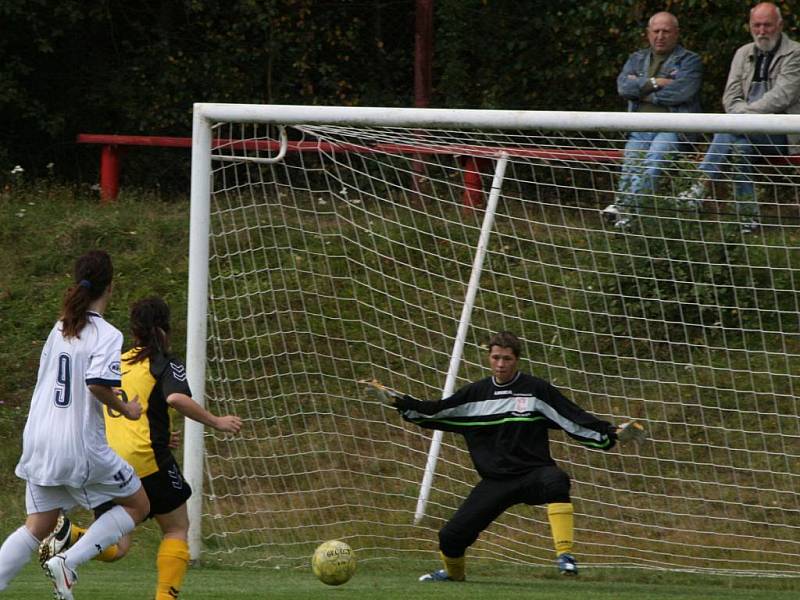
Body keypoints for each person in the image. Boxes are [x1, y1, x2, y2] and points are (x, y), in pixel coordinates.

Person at [39, 295, 242, 600]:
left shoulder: (118, 360)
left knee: (118, 546)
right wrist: (216, 421)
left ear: (134, 331)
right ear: (163, 329)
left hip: (109, 460)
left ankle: (72, 535)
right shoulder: (163, 361)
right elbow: (175, 398)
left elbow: (117, 405)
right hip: (147, 460)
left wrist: (161, 434)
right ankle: (165, 598)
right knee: (176, 528)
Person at [390, 331, 619, 580]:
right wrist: (401, 403)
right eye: (496, 358)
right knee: (450, 537)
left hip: (533, 474)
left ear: (516, 359)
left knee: (557, 480)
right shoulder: (475, 394)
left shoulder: (535, 390)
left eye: (507, 359)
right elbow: (436, 412)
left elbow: (571, 416)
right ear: (488, 358)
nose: (501, 364)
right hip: (496, 481)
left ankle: (565, 556)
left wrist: (608, 433)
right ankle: (454, 575)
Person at [0, 250, 150, 600]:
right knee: (138, 506)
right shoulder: (107, 334)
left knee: (37, 525)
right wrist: (125, 409)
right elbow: (97, 383)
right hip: (78, 445)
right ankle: (68, 563)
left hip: (39, 439)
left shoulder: (60, 327)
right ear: (110, 287)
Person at [678, 2, 800, 233]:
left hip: (783, 135)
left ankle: (699, 186)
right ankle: (747, 219)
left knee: (728, 130)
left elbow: (782, 96)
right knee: (739, 147)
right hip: (744, 129)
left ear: (780, 25)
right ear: (750, 26)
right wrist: (742, 118)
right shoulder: (742, 53)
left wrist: (743, 116)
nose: (762, 31)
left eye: (767, 25)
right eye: (757, 25)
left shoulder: (796, 53)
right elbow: (730, 96)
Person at [603, 11, 703, 230]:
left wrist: (642, 89)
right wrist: (657, 82)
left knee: (653, 160)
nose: (660, 36)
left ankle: (626, 212)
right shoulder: (636, 58)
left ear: (676, 33)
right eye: (656, 31)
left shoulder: (690, 60)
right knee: (631, 162)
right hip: (640, 126)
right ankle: (626, 212)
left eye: (666, 31)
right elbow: (623, 87)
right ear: (648, 34)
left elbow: (682, 92)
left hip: (674, 127)